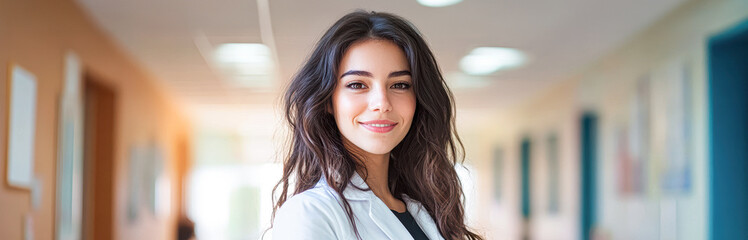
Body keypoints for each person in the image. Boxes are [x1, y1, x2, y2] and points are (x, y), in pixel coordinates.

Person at [269, 10, 483, 240]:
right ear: (328, 101)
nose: (382, 103)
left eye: (400, 85)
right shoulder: (311, 213)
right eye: (358, 84)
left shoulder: (425, 209)